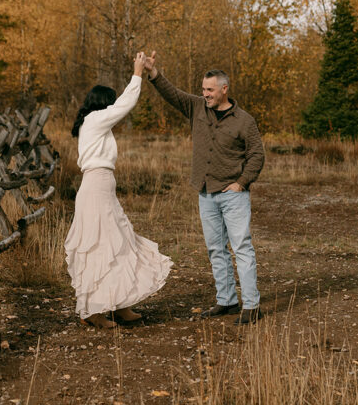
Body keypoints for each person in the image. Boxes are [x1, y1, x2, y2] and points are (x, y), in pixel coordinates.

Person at [143, 52, 265, 324]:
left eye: (210, 90)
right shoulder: (197, 107)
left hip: (233, 196)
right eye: (203, 89)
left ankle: (252, 306)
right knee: (215, 249)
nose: (205, 94)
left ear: (224, 89)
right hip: (205, 193)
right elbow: (172, 94)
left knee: (242, 248)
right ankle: (227, 301)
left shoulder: (244, 120)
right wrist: (153, 73)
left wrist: (242, 183)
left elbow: (257, 155)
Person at [65, 51, 172, 329]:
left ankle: (120, 303)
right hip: (96, 188)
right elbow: (125, 104)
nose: (113, 108)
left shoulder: (97, 125)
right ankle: (92, 310)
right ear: (103, 104)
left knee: (118, 241)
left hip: (102, 188)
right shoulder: (95, 120)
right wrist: (137, 72)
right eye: (109, 103)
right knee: (100, 244)